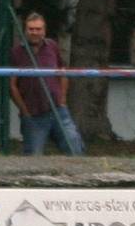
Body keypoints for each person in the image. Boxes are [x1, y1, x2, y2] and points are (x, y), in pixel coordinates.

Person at [9, 11, 84, 156]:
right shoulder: (16, 52)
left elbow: (63, 73)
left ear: (44, 30)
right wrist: (24, 111)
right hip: (33, 115)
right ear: (26, 30)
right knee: (33, 156)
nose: (35, 32)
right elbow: (12, 85)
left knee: (75, 149)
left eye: (38, 29)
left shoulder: (52, 47)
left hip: (58, 110)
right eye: (31, 29)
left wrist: (62, 100)